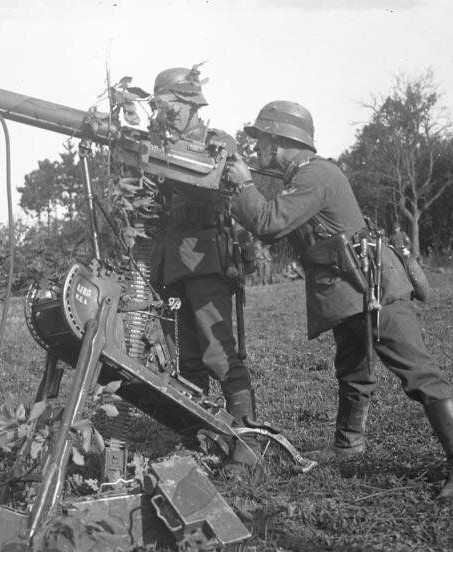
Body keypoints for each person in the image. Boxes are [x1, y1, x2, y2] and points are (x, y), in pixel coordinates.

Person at [225, 101, 453, 499]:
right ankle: (348, 445)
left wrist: (242, 185)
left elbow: (269, 223)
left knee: (420, 374)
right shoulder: (305, 176)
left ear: (279, 143)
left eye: (261, 142)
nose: (256, 150)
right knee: (353, 369)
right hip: (350, 290)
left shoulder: (316, 175)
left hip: (374, 291)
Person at [147, 66, 258, 469]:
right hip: (172, 261)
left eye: (171, 104)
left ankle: (246, 443)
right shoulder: (154, 143)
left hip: (208, 255)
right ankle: (200, 439)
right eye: (159, 106)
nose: (165, 112)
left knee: (219, 351)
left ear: (193, 104)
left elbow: (227, 186)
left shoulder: (218, 143)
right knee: (186, 357)